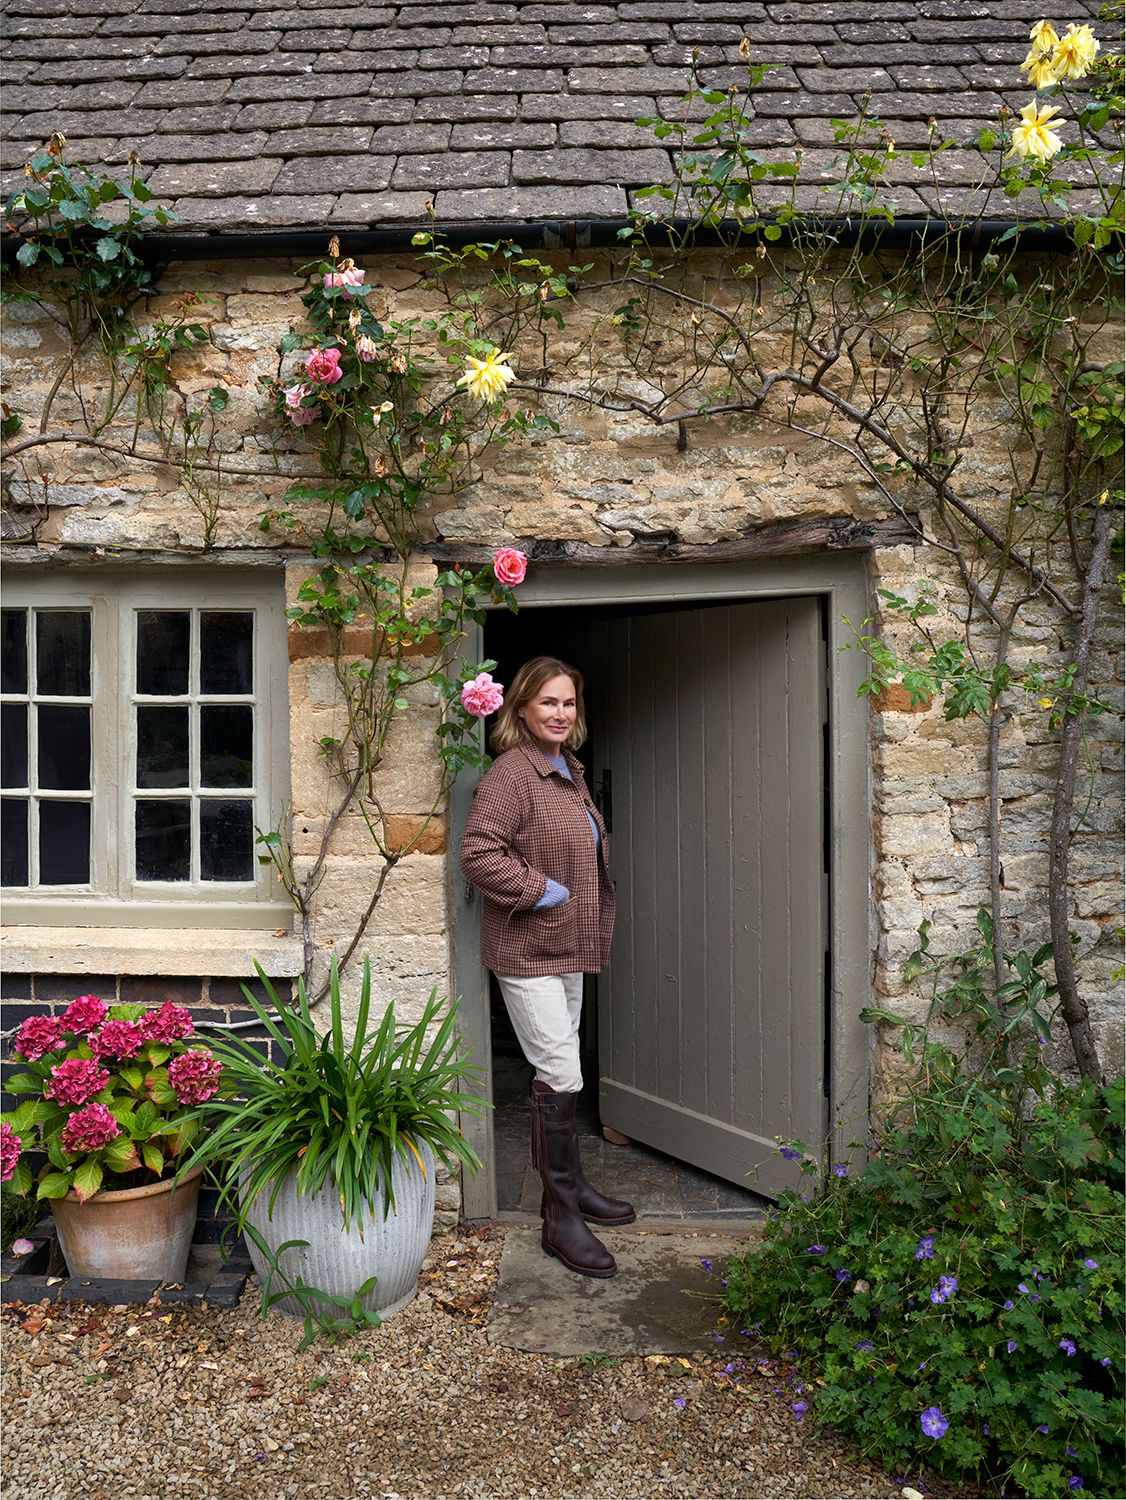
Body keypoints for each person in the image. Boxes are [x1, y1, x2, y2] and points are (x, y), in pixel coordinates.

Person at [460, 655, 635, 1278]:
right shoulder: (513, 772)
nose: (560, 713)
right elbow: (479, 854)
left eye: (568, 703)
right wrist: (543, 890)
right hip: (528, 949)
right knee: (559, 1070)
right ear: (522, 709)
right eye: (547, 703)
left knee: (565, 1069)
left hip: (568, 945)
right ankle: (560, 1218)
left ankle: (572, 1189)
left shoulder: (569, 769)